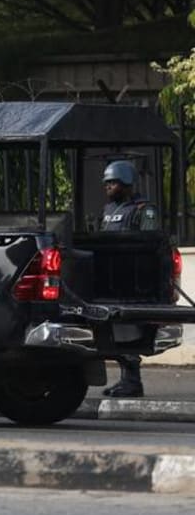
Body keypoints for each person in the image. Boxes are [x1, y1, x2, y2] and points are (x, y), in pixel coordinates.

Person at [99, 160, 159, 398]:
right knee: (115, 330)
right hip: (112, 277)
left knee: (131, 331)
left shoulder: (145, 209)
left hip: (135, 279)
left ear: (125, 183)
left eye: (112, 183)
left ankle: (133, 381)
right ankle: (127, 380)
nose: (107, 187)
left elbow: (149, 243)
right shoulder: (108, 210)